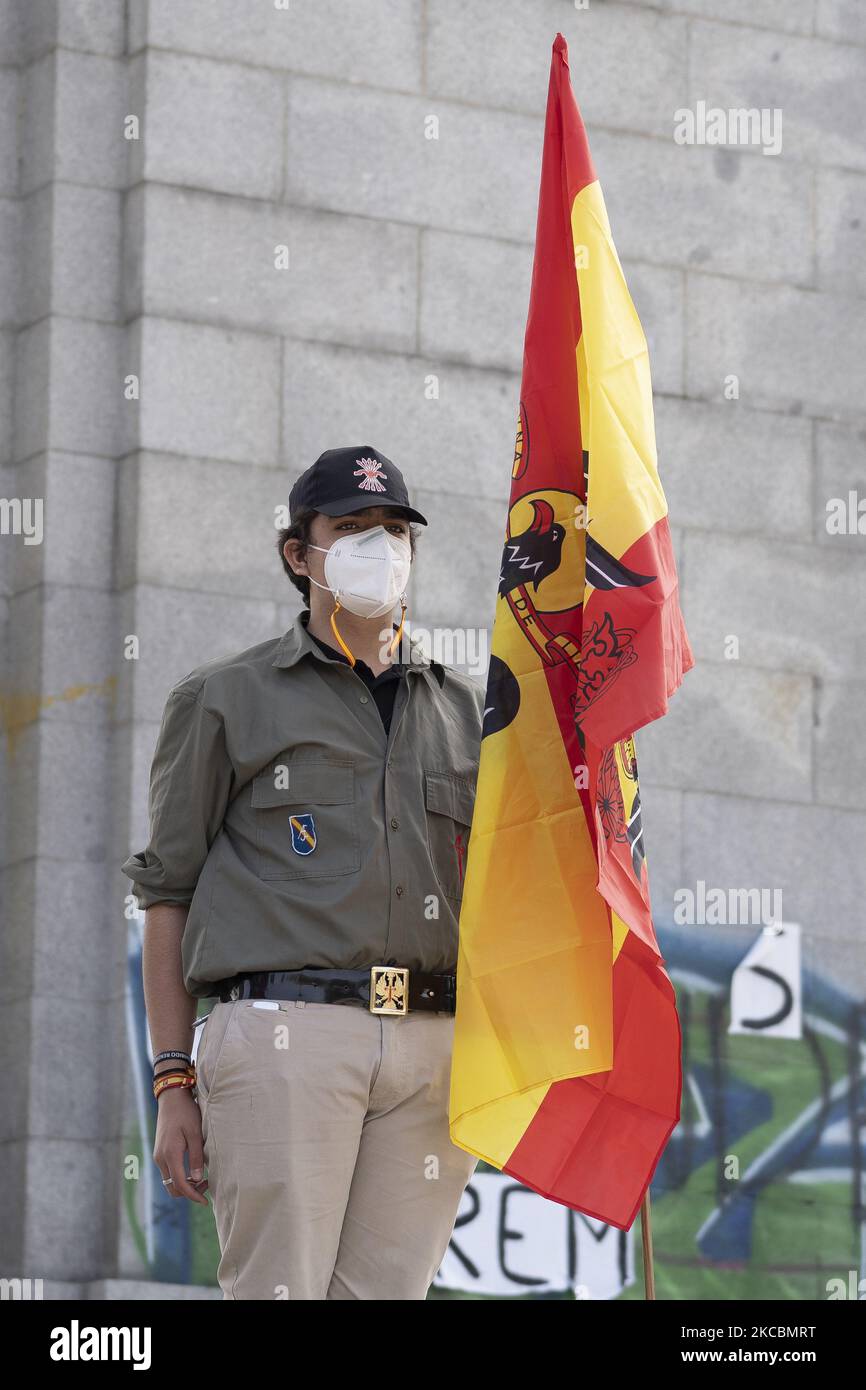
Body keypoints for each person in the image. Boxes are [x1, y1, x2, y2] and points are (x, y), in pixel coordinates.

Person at [122, 446, 483, 1300]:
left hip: (437, 1045)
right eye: (351, 528)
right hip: (288, 1032)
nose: (379, 547)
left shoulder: (472, 714)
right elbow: (167, 891)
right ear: (299, 552)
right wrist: (173, 1079)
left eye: (395, 529)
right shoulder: (223, 698)